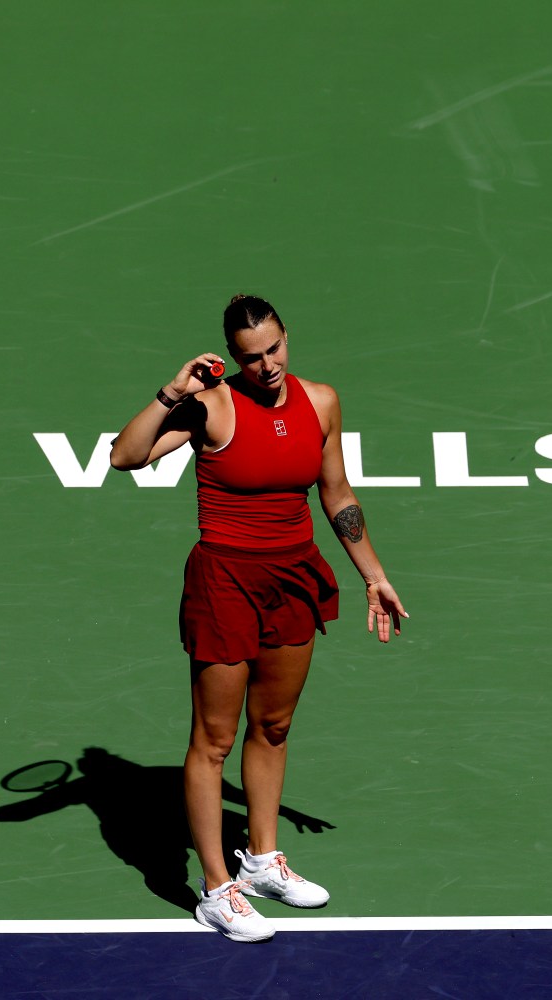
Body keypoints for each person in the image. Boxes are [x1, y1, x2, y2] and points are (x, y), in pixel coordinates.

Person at [109, 294, 409, 943]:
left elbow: (336, 493)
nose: (267, 365)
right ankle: (217, 891)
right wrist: (171, 391)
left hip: (294, 577)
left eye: (274, 349)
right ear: (232, 357)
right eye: (252, 357)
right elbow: (124, 456)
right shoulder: (212, 405)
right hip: (225, 583)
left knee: (272, 725)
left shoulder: (321, 401)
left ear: (285, 338)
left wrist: (374, 575)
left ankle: (263, 861)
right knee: (213, 740)